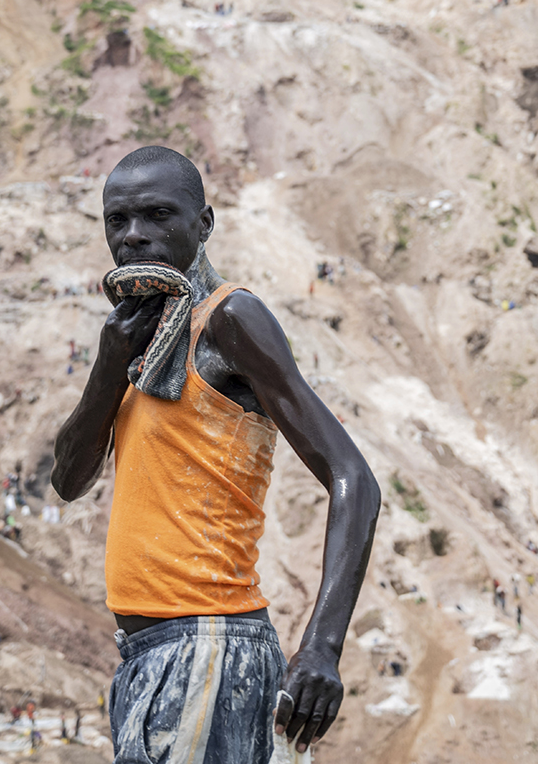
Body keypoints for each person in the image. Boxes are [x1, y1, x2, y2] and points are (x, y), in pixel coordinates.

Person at [52, 146, 380, 762]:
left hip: (207, 646)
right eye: (117, 222)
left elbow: (353, 477)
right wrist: (106, 367)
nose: (135, 237)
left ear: (203, 224)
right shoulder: (137, 342)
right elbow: (69, 480)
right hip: (151, 654)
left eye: (158, 216)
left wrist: (322, 647)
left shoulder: (230, 318)